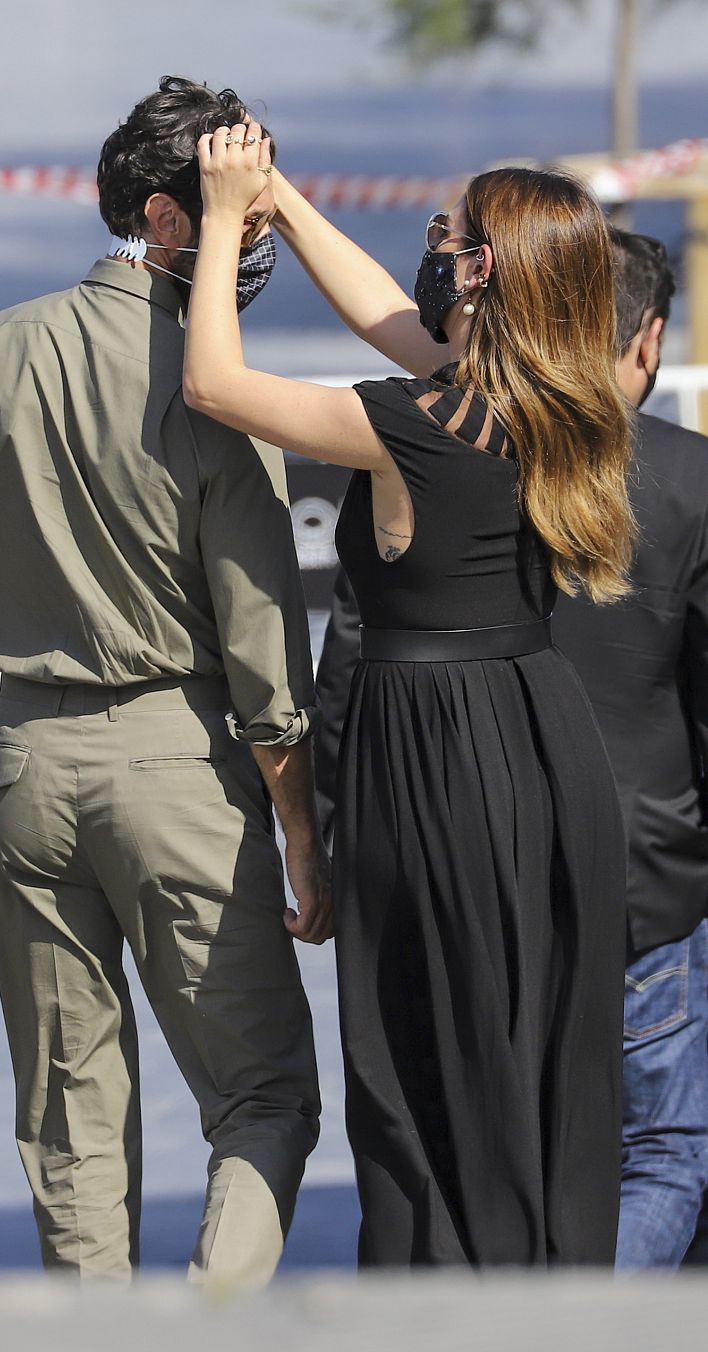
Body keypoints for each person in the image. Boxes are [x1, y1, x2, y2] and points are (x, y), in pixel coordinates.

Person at [0, 77, 331, 1286]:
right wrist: (300, 824)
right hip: (178, 766)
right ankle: (210, 1314)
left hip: (24, 769)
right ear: (168, 217)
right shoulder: (217, 386)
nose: (258, 238)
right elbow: (261, 646)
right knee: (266, 1095)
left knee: (70, 1122)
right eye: (241, 209)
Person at [182, 124, 633, 1266]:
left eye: (447, 232)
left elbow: (214, 384)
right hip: (538, 747)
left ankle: (454, 1301)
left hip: (434, 763)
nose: (429, 246)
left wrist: (228, 219)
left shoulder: (417, 425)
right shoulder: (561, 402)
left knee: (426, 1057)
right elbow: (386, 306)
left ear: (483, 272)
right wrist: (274, 189)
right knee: (529, 1050)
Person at [551, 230, 708, 1270]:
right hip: (653, 869)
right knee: (662, 1148)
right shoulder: (692, 479)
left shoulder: (454, 459)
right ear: (647, 339)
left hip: (489, 860)